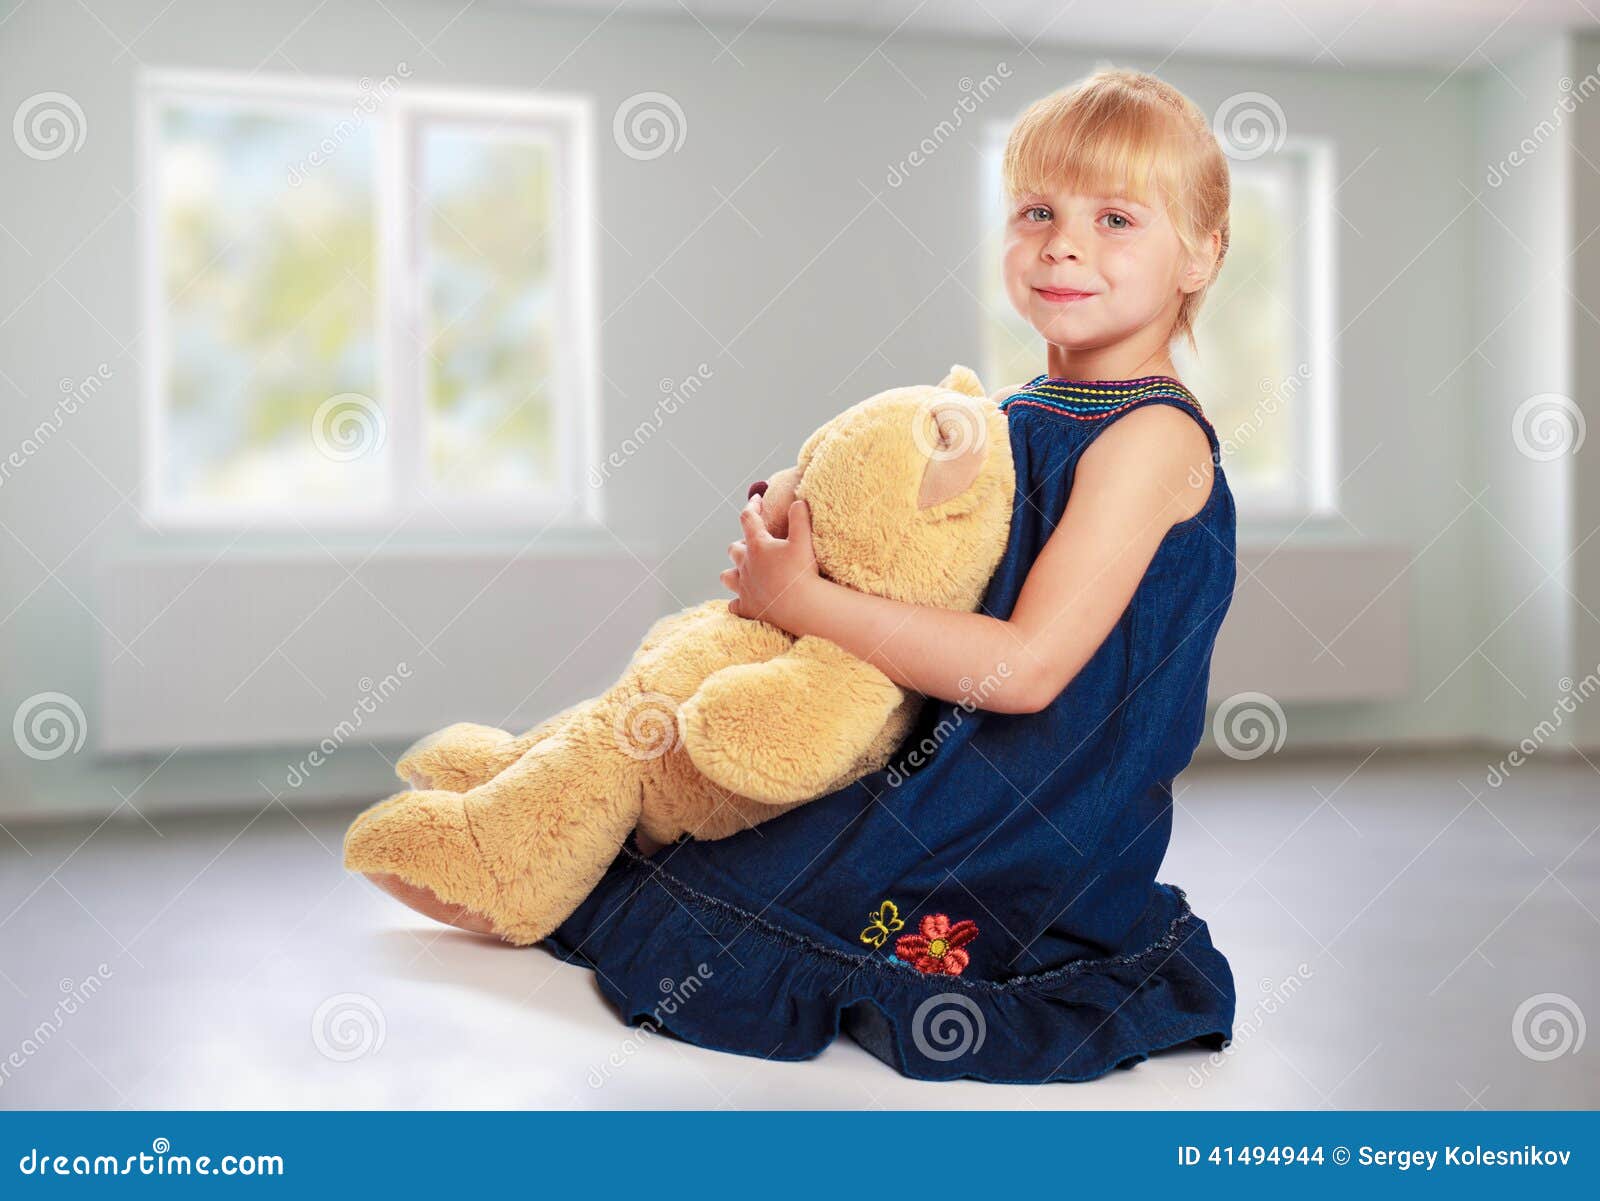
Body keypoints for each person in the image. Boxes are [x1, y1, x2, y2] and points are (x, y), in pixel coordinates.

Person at [547, 65, 1239, 1083]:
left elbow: (1029, 669)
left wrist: (805, 600)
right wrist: (804, 517)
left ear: (1200, 254)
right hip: (940, 753)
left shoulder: (1149, 439)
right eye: (1036, 209)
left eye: (1117, 218)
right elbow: (926, 561)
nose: (1063, 242)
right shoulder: (1021, 408)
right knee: (692, 842)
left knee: (766, 903)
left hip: (1030, 804)